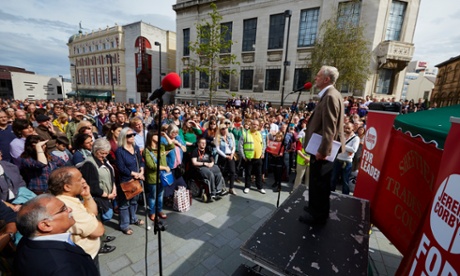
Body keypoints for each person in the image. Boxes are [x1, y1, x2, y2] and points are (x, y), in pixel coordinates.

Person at [299, 65, 345, 225]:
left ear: (326, 79)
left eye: (318, 76)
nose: (315, 79)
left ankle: (316, 215)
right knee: (318, 182)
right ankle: (315, 209)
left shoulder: (330, 96)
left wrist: (323, 151)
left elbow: (330, 127)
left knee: (319, 182)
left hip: (322, 150)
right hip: (319, 148)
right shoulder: (331, 94)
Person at [14, 194, 99, 275]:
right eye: (63, 209)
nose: (70, 209)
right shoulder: (62, 268)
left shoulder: (27, 241)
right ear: (45, 225)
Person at [48, 166, 113, 268]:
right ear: (67, 187)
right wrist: (93, 220)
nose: (84, 181)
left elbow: (94, 212)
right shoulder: (68, 208)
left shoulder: (68, 199)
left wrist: (87, 196)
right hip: (86, 258)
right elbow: (99, 231)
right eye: (79, 179)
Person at [79, 138, 117, 254]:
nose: (104, 156)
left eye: (106, 153)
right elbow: (93, 187)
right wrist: (108, 195)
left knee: (101, 220)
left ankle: (103, 236)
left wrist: (113, 187)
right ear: (95, 151)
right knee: (97, 221)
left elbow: (111, 174)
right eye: (102, 153)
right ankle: (100, 246)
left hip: (106, 195)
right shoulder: (90, 164)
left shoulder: (103, 160)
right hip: (96, 199)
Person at [115, 128, 145, 235]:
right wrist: (134, 174)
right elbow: (121, 168)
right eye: (129, 135)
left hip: (137, 180)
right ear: (123, 137)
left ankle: (133, 218)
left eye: (133, 135)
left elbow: (141, 161)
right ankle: (124, 225)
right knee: (124, 204)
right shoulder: (120, 151)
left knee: (134, 201)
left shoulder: (135, 147)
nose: (132, 137)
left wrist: (141, 170)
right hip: (126, 181)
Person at [144, 130, 174, 221]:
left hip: (162, 177)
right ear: (151, 137)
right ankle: (152, 212)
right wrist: (164, 167)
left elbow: (171, 145)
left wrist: (165, 135)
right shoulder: (147, 150)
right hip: (153, 177)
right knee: (153, 196)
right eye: (156, 135)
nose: (158, 136)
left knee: (160, 195)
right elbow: (151, 165)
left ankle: (159, 210)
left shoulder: (161, 147)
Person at [191, 137, 226, 202]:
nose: (204, 144)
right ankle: (212, 192)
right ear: (198, 143)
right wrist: (204, 163)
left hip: (209, 165)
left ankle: (219, 189)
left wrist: (212, 163)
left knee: (218, 171)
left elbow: (211, 158)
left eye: (205, 143)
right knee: (210, 174)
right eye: (202, 143)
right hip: (201, 167)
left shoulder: (207, 150)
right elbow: (194, 162)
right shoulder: (195, 151)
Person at [330, 122, 359, 195]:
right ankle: (330, 193)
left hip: (347, 162)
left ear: (353, 128)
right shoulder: (341, 136)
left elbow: (354, 150)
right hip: (338, 159)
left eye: (348, 128)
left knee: (345, 181)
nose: (346, 129)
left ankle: (345, 196)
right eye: (345, 128)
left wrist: (342, 145)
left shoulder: (356, 138)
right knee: (333, 179)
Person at [239, 119, 266, 194]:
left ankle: (259, 187)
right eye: (254, 124)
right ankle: (247, 187)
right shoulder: (245, 134)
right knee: (248, 173)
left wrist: (263, 153)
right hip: (249, 158)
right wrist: (243, 156)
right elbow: (240, 146)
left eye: (257, 125)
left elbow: (263, 144)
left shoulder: (260, 134)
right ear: (251, 125)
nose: (255, 126)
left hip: (258, 157)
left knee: (259, 173)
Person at [215, 123, 237, 195]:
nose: (225, 130)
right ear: (220, 130)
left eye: (226, 128)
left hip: (230, 155)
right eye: (223, 129)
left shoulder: (231, 135)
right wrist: (225, 156)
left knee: (232, 171)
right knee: (222, 172)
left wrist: (232, 154)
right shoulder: (218, 137)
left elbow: (234, 145)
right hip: (223, 156)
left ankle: (231, 188)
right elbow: (218, 149)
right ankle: (221, 187)